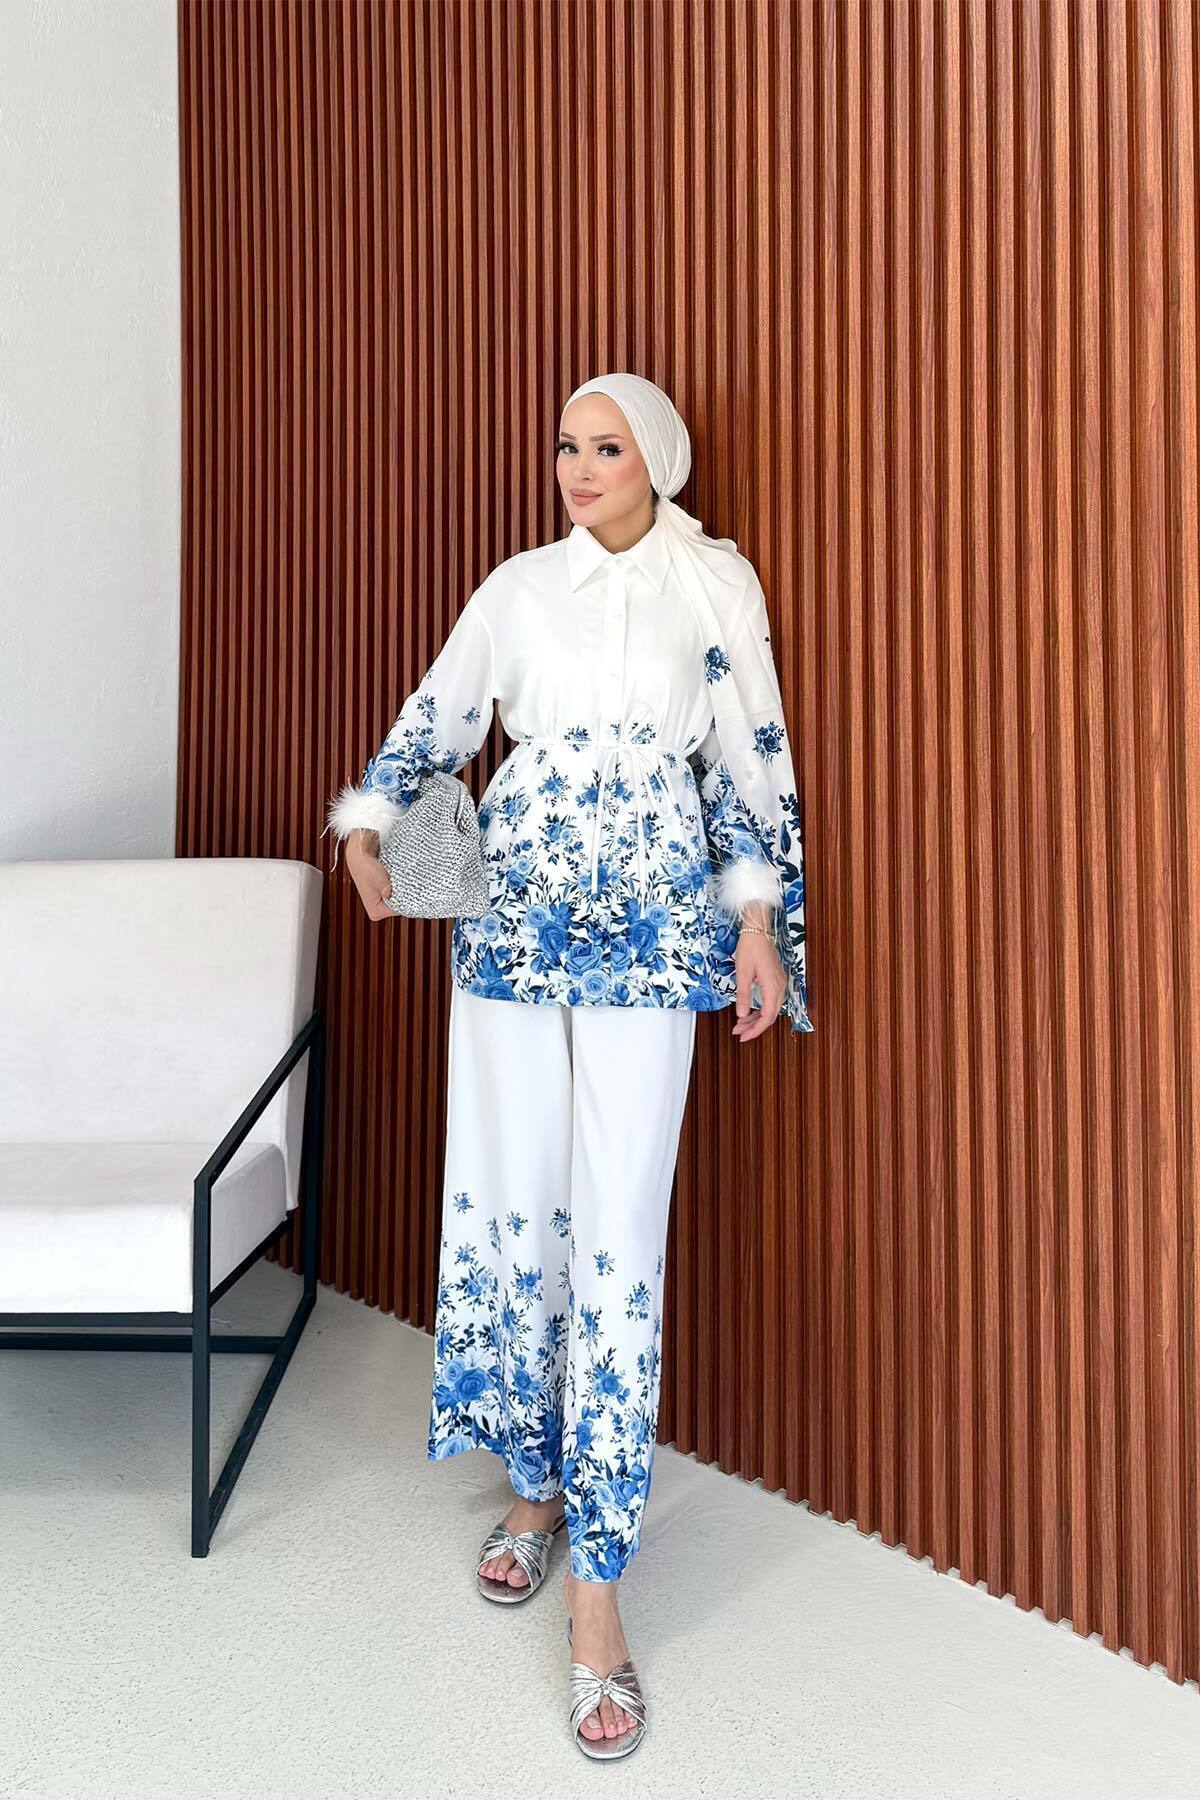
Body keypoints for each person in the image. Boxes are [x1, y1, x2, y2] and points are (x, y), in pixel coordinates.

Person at [324, 371, 812, 1761]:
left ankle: (600, 1584)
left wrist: (762, 926)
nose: (579, 467)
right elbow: (436, 720)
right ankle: (535, 1485)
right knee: (509, 1199)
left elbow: (750, 766)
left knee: (617, 1228)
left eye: (606, 447)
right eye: (565, 446)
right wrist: (368, 824)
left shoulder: (713, 587)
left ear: (657, 459)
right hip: (513, 918)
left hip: (656, 928)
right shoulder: (519, 587)